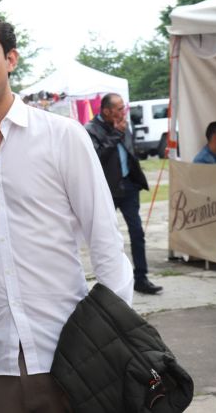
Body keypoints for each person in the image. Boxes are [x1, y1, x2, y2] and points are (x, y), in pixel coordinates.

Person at [0, 5, 134, 413]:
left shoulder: (63, 138)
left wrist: (111, 338)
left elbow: (106, 244)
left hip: (71, 352)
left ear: (10, 58)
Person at [85, 93, 163, 295]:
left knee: (137, 232)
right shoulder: (90, 130)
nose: (123, 112)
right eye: (119, 109)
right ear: (106, 111)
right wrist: (115, 134)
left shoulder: (123, 125)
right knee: (106, 238)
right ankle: (109, 284)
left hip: (128, 187)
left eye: (123, 108)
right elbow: (97, 158)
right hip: (107, 190)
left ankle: (141, 278)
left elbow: (130, 152)